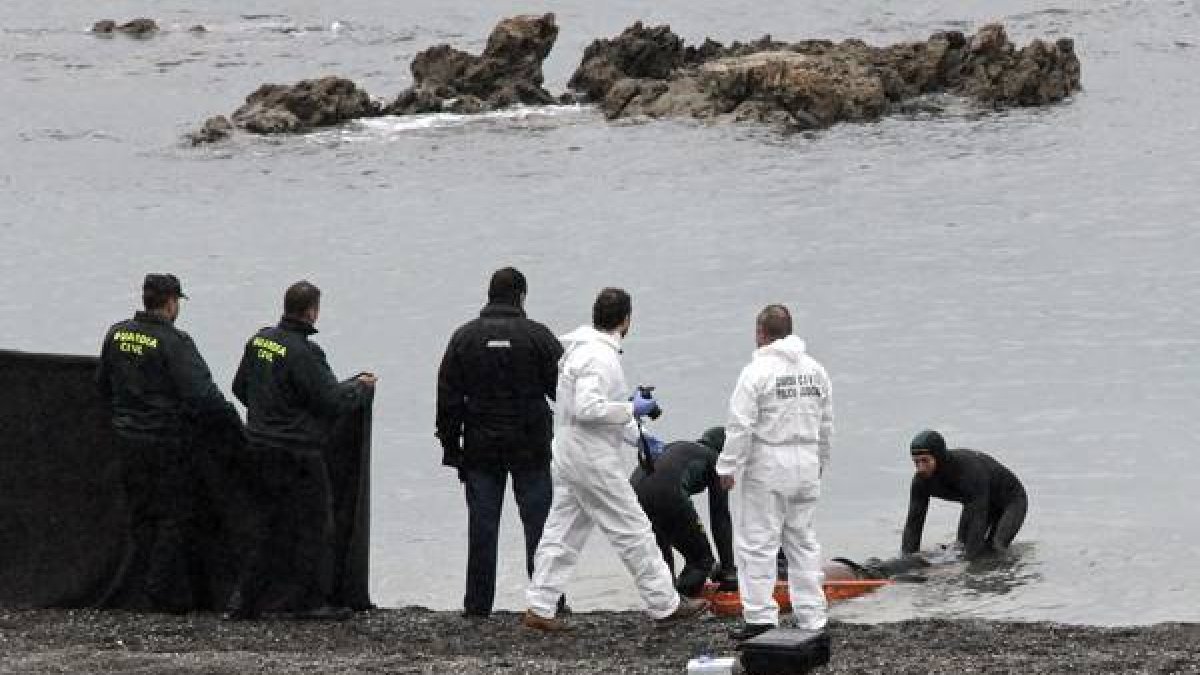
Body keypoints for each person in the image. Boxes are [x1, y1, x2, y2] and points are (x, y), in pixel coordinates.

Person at [523, 287, 709, 631]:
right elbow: (588, 409)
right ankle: (664, 604)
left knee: (562, 531)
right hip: (591, 460)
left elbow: (585, 412)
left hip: (567, 452)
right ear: (626, 319)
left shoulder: (580, 351)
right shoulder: (600, 357)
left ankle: (540, 605)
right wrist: (631, 408)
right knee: (633, 528)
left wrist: (637, 436)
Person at [227, 280, 377, 620]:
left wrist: (268, 415)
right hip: (297, 454)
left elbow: (240, 388)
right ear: (312, 311)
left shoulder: (259, 341)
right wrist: (360, 388)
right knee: (315, 525)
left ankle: (244, 601)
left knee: (267, 525)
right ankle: (309, 601)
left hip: (258, 446)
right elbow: (331, 400)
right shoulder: (305, 352)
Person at [95, 273, 242, 612]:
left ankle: (135, 588)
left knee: (141, 515)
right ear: (172, 302)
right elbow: (203, 395)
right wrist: (234, 427)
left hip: (126, 439)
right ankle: (160, 593)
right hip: (165, 442)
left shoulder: (116, 334)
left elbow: (102, 383)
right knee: (173, 516)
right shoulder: (175, 342)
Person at [436, 267, 563, 618]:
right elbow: (563, 394)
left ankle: (477, 606)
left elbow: (447, 398)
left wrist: (451, 448)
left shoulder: (464, 338)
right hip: (531, 446)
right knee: (540, 526)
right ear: (521, 296)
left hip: (480, 448)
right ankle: (546, 603)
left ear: (490, 294)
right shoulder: (538, 337)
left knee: (482, 527)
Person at [716, 304, 833, 641]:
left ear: (761, 333)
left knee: (758, 543)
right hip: (807, 459)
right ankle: (813, 616)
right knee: (803, 541)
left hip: (769, 461)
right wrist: (821, 459)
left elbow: (740, 425)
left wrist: (728, 466)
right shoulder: (815, 370)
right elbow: (827, 422)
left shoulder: (756, 372)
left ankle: (760, 617)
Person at [630, 426, 737, 598]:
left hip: (634, 493)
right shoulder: (718, 461)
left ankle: (665, 602)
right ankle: (680, 602)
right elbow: (720, 517)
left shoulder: (683, 447)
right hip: (667, 493)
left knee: (662, 559)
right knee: (702, 561)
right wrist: (728, 570)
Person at [902, 429, 1028, 560]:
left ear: (939, 457)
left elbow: (978, 520)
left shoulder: (969, 471)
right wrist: (907, 561)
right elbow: (913, 526)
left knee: (996, 547)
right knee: (960, 547)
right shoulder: (920, 482)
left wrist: (967, 566)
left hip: (1011, 502)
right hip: (974, 501)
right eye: (916, 462)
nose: (920, 468)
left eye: (925, 461)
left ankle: (1010, 572)